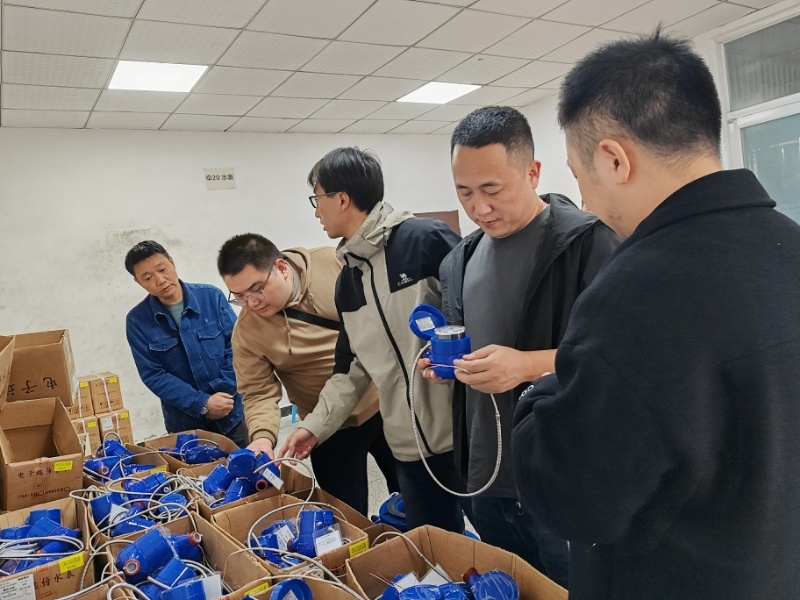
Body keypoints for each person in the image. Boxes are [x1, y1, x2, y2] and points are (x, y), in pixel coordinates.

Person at [512, 30, 800, 599]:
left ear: (614, 159)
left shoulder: (633, 296)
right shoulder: (790, 246)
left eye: (579, 175)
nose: (585, 201)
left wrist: (542, 392)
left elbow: (575, 499)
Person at [424, 106, 618, 585]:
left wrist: (528, 365)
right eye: (464, 192)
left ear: (532, 172)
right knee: (509, 589)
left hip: (561, 478)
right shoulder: (459, 261)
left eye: (492, 190)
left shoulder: (589, 245)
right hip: (485, 476)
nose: (479, 208)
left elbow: (622, 357)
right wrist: (446, 367)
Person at [278, 147, 465, 532]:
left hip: (467, 437)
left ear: (342, 199)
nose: (316, 211)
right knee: (438, 552)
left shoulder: (423, 240)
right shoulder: (349, 282)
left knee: (512, 551)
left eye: (318, 198)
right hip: (409, 451)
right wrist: (313, 426)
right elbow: (350, 371)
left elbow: (480, 319)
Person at [216, 233, 399, 514]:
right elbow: (257, 392)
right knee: (346, 514)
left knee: (414, 496)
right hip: (324, 427)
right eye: (239, 297)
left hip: (386, 405)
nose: (251, 303)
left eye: (257, 289)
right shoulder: (248, 331)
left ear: (281, 268)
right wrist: (262, 436)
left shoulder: (331, 265)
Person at [124, 240, 248, 447]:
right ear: (138, 282)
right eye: (148, 277)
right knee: (194, 469)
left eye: (162, 269)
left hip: (231, 412)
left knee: (245, 464)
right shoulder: (137, 321)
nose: (160, 280)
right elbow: (153, 375)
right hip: (185, 425)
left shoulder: (211, 297)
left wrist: (223, 394)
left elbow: (238, 347)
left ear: (172, 262)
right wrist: (203, 404)